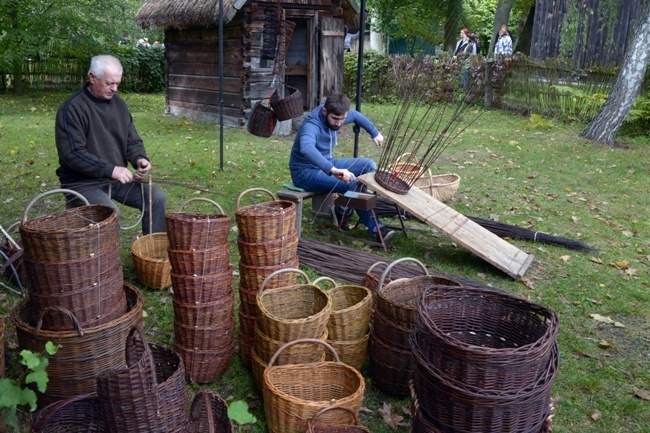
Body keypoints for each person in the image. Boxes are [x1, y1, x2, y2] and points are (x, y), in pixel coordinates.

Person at [55, 55, 166, 235]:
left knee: (156, 198)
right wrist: (111, 169)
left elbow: (132, 139)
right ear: (92, 77)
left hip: (115, 180)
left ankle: (154, 256)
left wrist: (140, 158)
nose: (114, 89)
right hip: (82, 183)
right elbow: (72, 154)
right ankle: (108, 263)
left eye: (117, 83)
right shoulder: (72, 108)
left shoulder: (119, 105)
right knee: (112, 215)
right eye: (109, 83)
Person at [289, 94, 395, 243]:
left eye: (342, 119)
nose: (339, 123)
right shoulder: (311, 125)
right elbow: (307, 148)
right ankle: (376, 229)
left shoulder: (339, 113)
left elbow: (356, 116)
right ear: (325, 112)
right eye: (335, 119)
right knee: (352, 184)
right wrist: (333, 170)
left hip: (328, 164)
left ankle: (343, 208)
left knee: (369, 165)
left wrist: (374, 132)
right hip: (305, 172)